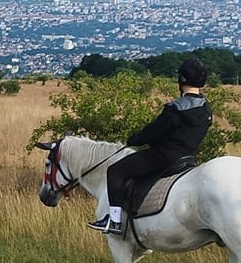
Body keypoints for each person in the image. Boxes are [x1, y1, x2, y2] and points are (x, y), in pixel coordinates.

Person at [88, 58, 213, 237]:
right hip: (188, 158)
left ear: (182, 80)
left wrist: (135, 139)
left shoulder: (175, 109)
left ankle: (113, 220)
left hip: (163, 157)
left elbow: (153, 133)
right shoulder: (206, 110)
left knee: (115, 171)